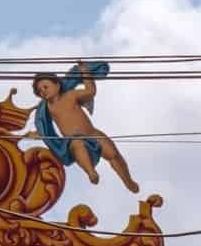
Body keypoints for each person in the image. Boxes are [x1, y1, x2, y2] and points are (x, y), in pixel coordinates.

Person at [30, 61, 139, 193]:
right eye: (39, 91)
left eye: (45, 87)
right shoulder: (46, 108)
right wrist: (39, 133)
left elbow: (90, 91)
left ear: (57, 85)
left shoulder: (71, 95)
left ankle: (128, 181)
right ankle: (91, 172)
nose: (43, 91)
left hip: (92, 133)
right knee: (78, 145)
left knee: (113, 154)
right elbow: (44, 126)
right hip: (73, 140)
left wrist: (85, 72)